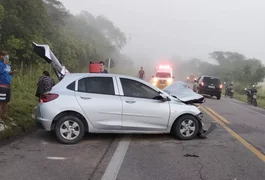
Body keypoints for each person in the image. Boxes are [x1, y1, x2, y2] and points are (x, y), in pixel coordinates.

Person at [0, 51, 12, 131]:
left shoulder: (8, 65)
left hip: (8, 86)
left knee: (6, 102)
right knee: (0, 102)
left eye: (7, 56)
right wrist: (4, 64)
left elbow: (8, 73)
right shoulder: (1, 64)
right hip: (2, 85)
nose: (6, 58)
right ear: (1, 56)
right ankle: (0, 118)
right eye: (5, 56)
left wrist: (11, 73)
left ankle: (5, 115)